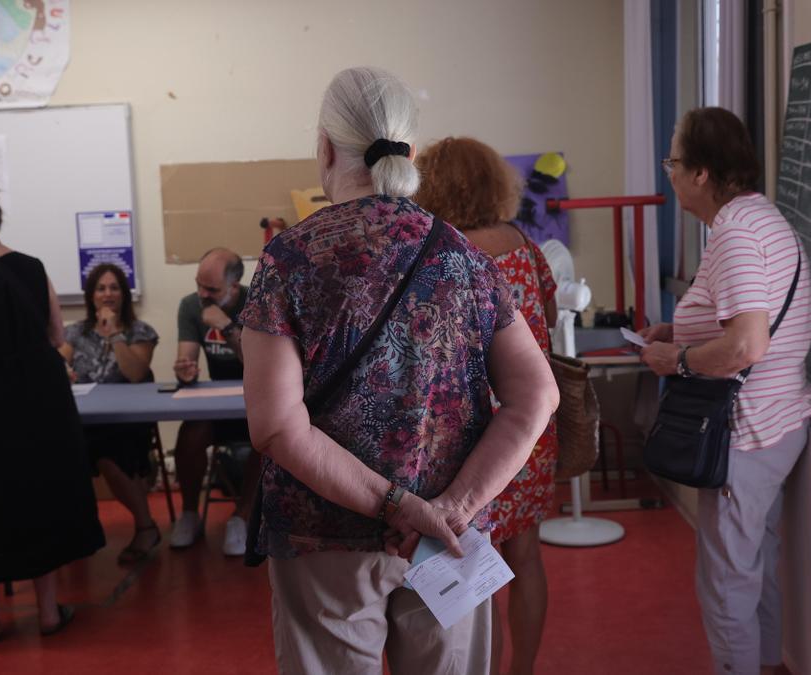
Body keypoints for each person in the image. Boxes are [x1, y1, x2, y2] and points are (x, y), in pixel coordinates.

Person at [239, 66, 559, 675]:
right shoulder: (464, 254)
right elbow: (538, 395)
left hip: (324, 537)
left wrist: (396, 506)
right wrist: (450, 508)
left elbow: (277, 426)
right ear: (410, 151)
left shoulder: (290, 257)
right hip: (449, 539)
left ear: (326, 148)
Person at [640, 107, 811, 675]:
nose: (668, 172)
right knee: (753, 565)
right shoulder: (758, 221)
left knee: (726, 582)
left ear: (701, 174)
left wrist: (676, 358)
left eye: (674, 161)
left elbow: (745, 346)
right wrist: (681, 329)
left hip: (747, 432)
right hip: (775, 423)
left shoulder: (737, 235)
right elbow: (740, 320)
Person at [416, 136, 558, 675]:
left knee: (473, 562)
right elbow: (546, 325)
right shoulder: (525, 247)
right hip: (530, 425)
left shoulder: (440, 253)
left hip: (467, 431)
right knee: (526, 557)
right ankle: (522, 668)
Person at [0, 177, 104, 640]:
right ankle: (50, 611)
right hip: (42, 403)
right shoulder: (34, 268)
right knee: (40, 498)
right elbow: (57, 335)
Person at [60, 263, 161, 565]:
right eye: (101, 288)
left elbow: (134, 373)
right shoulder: (74, 332)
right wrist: (63, 370)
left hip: (127, 421)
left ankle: (146, 527)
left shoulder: (141, 332)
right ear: (91, 295)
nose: (107, 294)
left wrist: (115, 334)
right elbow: (58, 364)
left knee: (108, 451)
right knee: (58, 448)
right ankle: (73, 532)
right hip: (85, 419)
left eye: (114, 287)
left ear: (124, 294)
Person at [169, 247, 261, 556]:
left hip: (258, 404)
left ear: (234, 286)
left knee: (269, 441)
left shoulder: (257, 302)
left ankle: (242, 516)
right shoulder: (190, 306)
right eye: (199, 284)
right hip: (217, 406)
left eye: (211, 288)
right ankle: (190, 513)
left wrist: (226, 326)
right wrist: (185, 369)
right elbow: (187, 358)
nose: (202, 294)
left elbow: (260, 366)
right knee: (189, 437)